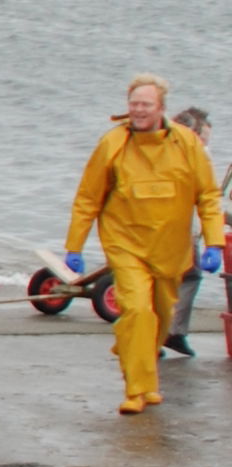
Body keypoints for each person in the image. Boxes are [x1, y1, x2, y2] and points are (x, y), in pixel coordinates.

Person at [63, 79, 225, 417]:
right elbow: (88, 199)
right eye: (134, 103)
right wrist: (74, 246)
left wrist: (214, 241)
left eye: (145, 104)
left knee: (160, 318)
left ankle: (136, 360)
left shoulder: (187, 144)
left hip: (170, 247)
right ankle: (136, 390)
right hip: (125, 244)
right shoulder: (113, 144)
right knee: (137, 310)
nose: (138, 110)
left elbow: (208, 196)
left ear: (161, 109)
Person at [165, 111, 216, 357]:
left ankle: (154, 336)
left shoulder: (160, 146)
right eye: (204, 137)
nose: (206, 143)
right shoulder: (196, 153)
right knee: (191, 276)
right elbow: (206, 199)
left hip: (153, 227)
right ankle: (173, 332)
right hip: (180, 229)